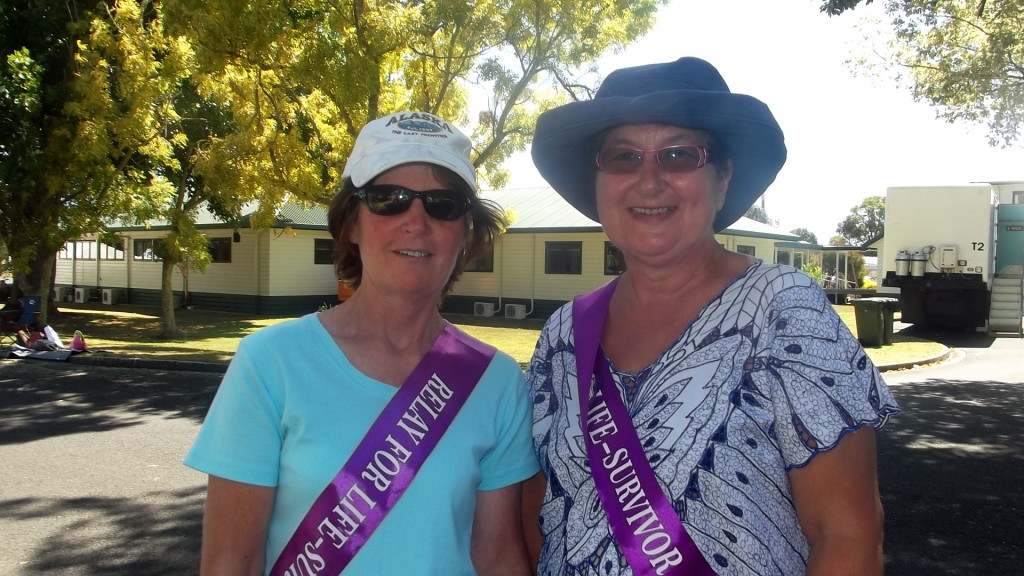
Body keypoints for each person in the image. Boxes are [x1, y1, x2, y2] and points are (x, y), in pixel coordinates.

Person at [523, 57, 900, 576]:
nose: (648, 181)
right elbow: (535, 518)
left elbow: (849, 535)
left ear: (722, 179)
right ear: (598, 181)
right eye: (622, 157)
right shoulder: (561, 336)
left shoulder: (784, 310)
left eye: (679, 155)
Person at [185, 111, 538, 575]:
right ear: (351, 223)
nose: (416, 220)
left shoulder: (497, 382)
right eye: (388, 198)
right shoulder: (269, 364)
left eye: (443, 203)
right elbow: (232, 561)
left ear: (465, 231)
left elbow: (496, 556)